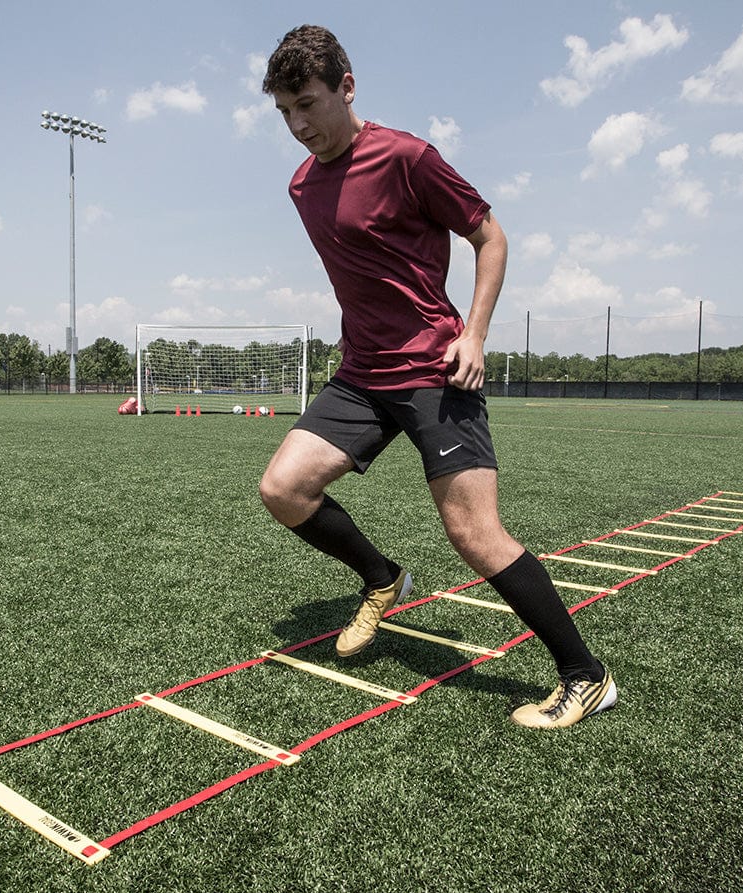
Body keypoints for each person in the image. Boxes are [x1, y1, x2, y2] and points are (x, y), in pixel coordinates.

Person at [258, 25, 615, 729]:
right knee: (283, 488)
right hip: (361, 373)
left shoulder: (408, 157)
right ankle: (382, 579)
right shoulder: (302, 185)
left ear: (346, 88)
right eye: (284, 114)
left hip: (433, 368)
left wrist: (474, 332)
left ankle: (586, 675)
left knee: (475, 534)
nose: (299, 126)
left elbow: (489, 235)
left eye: (308, 104)